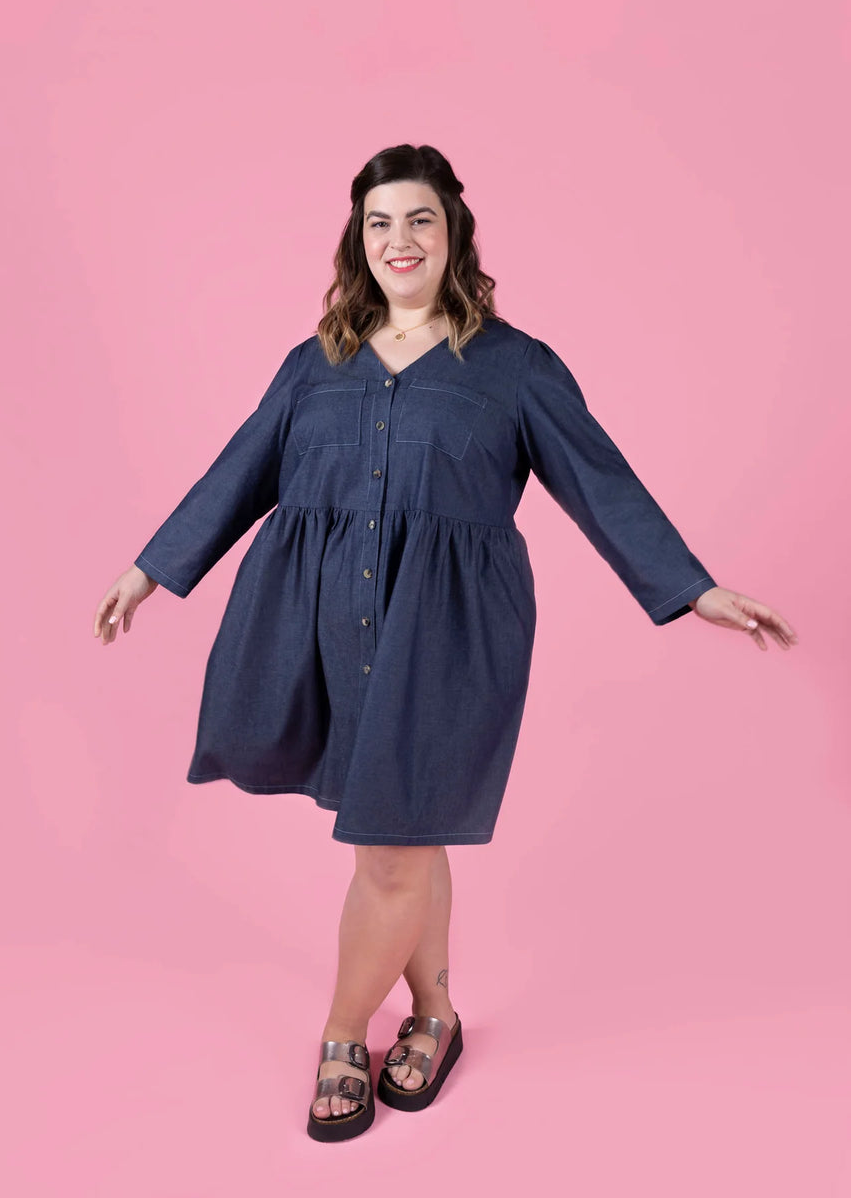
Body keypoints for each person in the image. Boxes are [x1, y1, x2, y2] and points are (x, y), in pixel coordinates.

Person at [93, 143, 799, 1143]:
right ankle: (435, 1014)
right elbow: (240, 470)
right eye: (379, 222)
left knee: (389, 847)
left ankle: (343, 1036)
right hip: (330, 628)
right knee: (409, 835)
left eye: (419, 219)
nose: (400, 240)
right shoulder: (315, 362)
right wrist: (149, 570)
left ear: (454, 231)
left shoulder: (515, 368)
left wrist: (694, 589)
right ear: (358, 239)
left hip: (453, 638)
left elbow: (601, 482)